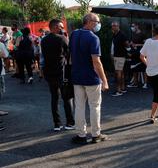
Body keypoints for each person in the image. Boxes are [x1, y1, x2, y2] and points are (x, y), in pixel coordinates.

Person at [70, 13, 109, 145]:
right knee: (95, 106)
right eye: (97, 21)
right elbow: (96, 62)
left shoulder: (74, 34)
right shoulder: (93, 38)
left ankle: (81, 134)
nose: (98, 24)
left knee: (79, 107)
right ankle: (96, 134)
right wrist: (105, 80)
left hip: (77, 76)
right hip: (91, 77)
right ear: (89, 22)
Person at [41, 19, 75, 132]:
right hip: (62, 72)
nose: (62, 28)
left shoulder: (44, 40)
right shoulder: (62, 38)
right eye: (60, 27)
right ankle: (70, 122)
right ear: (55, 27)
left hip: (49, 72)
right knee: (66, 97)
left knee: (54, 98)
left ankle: (57, 124)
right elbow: (69, 52)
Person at [140, 25, 158, 124]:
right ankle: (152, 116)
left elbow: (141, 56)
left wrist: (148, 64)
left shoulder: (148, 41)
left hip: (150, 73)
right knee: (157, 94)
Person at [111, 21, 130, 97]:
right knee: (120, 73)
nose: (113, 27)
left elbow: (127, 44)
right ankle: (122, 88)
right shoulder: (114, 35)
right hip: (117, 56)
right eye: (112, 26)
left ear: (118, 26)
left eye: (115, 25)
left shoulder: (122, 35)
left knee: (118, 73)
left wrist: (128, 51)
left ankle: (118, 90)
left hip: (120, 56)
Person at [128, 23, 146, 88]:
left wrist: (137, 45)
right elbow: (132, 43)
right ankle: (135, 83)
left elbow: (145, 44)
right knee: (134, 68)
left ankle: (145, 83)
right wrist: (131, 44)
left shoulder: (142, 34)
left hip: (141, 53)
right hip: (134, 53)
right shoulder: (134, 34)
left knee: (143, 69)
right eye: (131, 26)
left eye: (133, 26)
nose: (132, 27)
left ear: (137, 26)